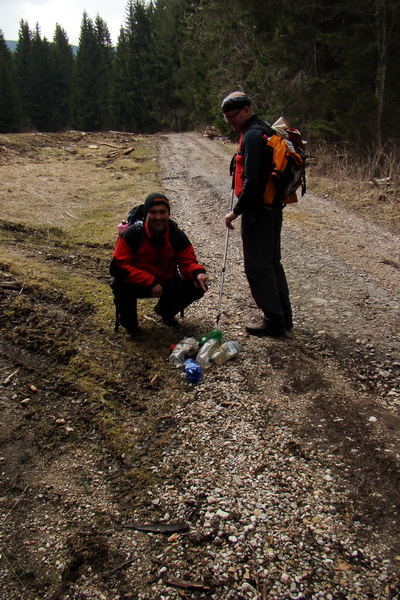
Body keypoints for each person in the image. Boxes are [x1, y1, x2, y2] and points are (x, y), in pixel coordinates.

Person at [221, 90, 293, 337]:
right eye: (227, 118)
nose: (231, 121)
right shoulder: (264, 130)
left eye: (234, 116)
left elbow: (252, 183)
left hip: (257, 212)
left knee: (258, 267)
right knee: (272, 263)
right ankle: (284, 318)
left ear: (247, 110)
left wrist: (234, 212)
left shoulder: (252, 136)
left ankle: (274, 322)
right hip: (272, 208)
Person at [110, 192, 208, 336]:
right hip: (138, 283)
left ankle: (165, 312)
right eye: (153, 212)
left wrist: (197, 273)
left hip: (166, 282)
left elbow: (187, 262)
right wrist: (150, 282)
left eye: (163, 212)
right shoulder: (133, 234)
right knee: (119, 284)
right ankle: (130, 326)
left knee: (198, 286)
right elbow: (117, 266)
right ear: (146, 214)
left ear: (169, 214)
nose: (158, 217)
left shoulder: (176, 235)